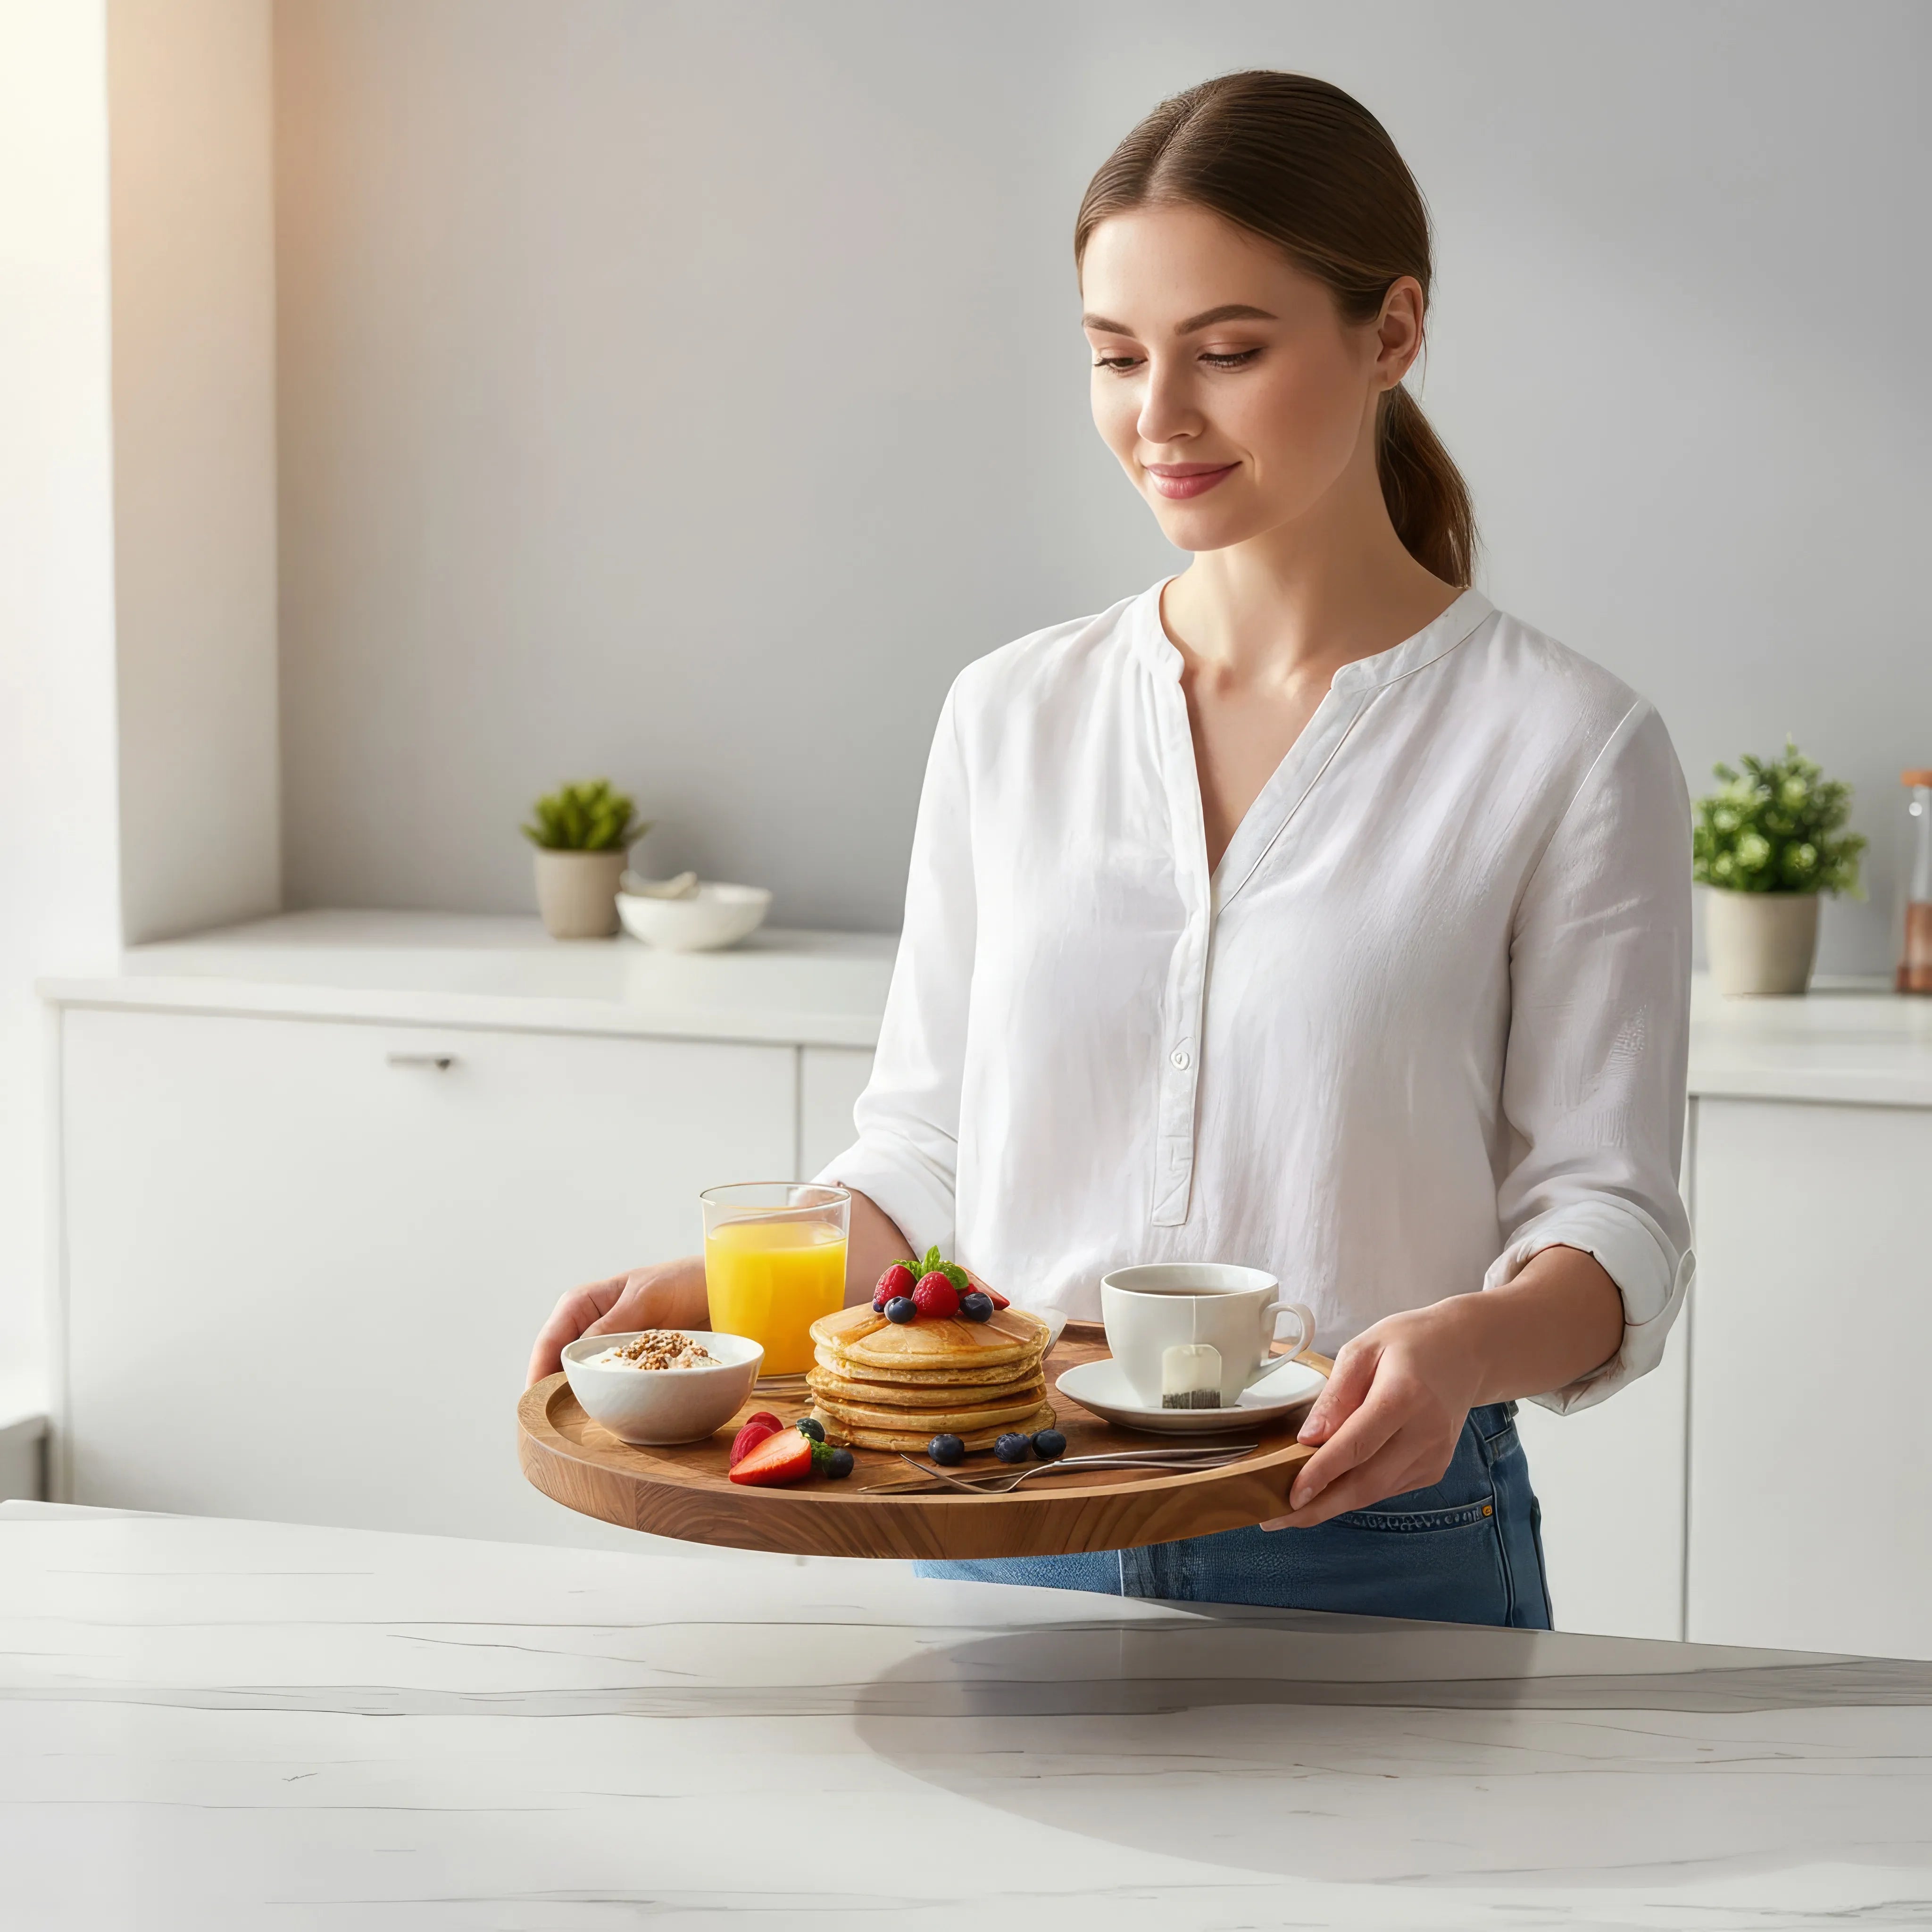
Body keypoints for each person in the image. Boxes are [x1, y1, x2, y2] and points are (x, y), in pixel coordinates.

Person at [528, 70, 1693, 1627]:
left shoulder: (1566, 745)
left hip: (1370, 1528)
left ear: (1392, 333)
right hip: (1005, 1512)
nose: (1160, 419)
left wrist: (1466, 1347)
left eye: (1228, 352)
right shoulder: (1009, 715)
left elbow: (1609, 1219)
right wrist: (732, 1308)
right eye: (1115, 357)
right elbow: (925, 1147)